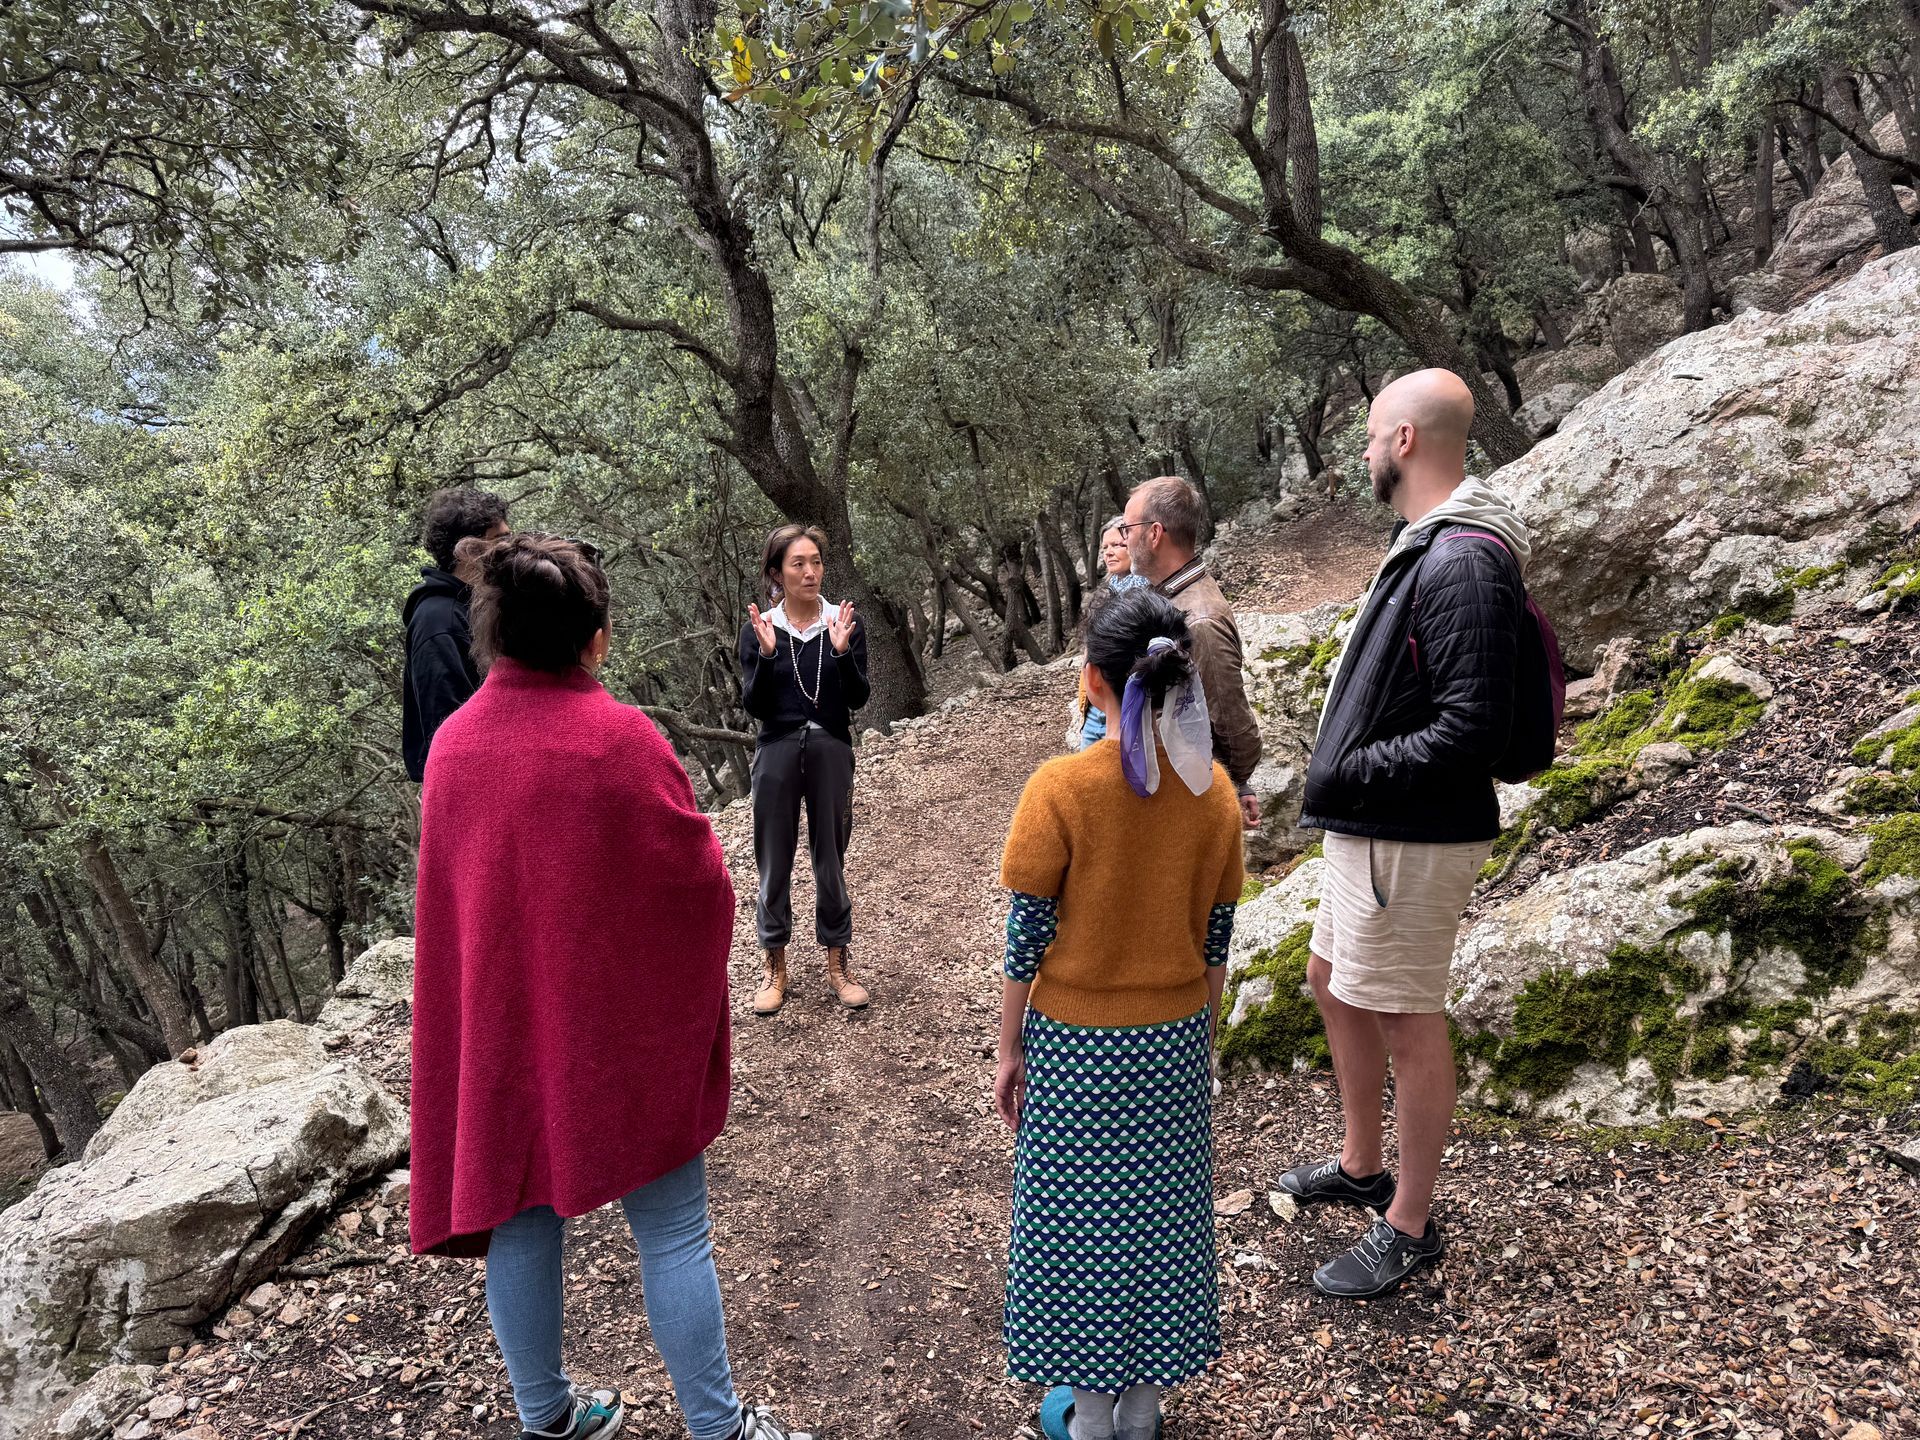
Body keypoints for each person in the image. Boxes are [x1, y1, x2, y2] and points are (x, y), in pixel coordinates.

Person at [410, 533, 806, 1440]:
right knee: (672, 1232)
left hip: (503, 1036)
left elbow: (458, 912)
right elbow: (698, 880)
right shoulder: (621, 740)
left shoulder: (454, 749)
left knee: (518, 1221)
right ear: (597, 639)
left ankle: (544, 1417)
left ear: (494, 636)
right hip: (612, 1039)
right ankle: (720, 1430)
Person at [1277, 368, 1531, 1299]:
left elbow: (1473, 728)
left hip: (1412, 835)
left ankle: (1410, 1223)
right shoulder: (1423, 544)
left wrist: (1350, 771)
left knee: (1405, 1016)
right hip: (1373, 828)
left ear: (1407, 442)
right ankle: (1360, 1165)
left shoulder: (1464, 559)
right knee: (1329, 979)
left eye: (1373, 435)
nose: (1365, 452)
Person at [995, 587, 1246, 1440]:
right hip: (1172, 1041)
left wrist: (1009, 1051)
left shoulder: (1060, 789)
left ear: (1093, 680)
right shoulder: (1212, 792)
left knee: (1076, 1227)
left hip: (1074, 1045)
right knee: (1162, 1219)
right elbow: (1216, 944)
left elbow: (1025, 943)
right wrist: (1198, 1042)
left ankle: (1092, 1419)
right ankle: (1144, 1413)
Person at [739, 524, 871, 1016]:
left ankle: (838, 961)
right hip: (776, 749)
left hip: (831, 746)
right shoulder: (761, 628)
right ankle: (775, 965)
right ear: (777, 573)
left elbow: (858, 697)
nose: (811, 571)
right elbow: (753, 705)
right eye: (798, 563)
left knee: (830, 856)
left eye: (816, 561)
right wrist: (770, 657)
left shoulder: (843, 620)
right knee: (773, 859)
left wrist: (839, 653)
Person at [1119, 477, 1264, 826]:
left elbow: (1232, 722)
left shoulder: (1199, 620)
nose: (1124, 538)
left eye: (1127, 528)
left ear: (1154, 534)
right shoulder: (1173, 598)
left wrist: (1236, 785)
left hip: (1194, 797)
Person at [402, 487, 508, 783]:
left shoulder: (474, 605)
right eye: (501, 540)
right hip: (468, 790)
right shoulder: (438, 621)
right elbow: (448, 733)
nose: (509, 548)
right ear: (469, 550)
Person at [1074, 517, 1150, 749]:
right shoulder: (1105, 593)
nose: (1108, 553)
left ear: (1136, 545)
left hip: (1128, 706)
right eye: (1105, 547)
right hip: (1094, 706)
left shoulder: (1148, 595)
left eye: (1117, 545)